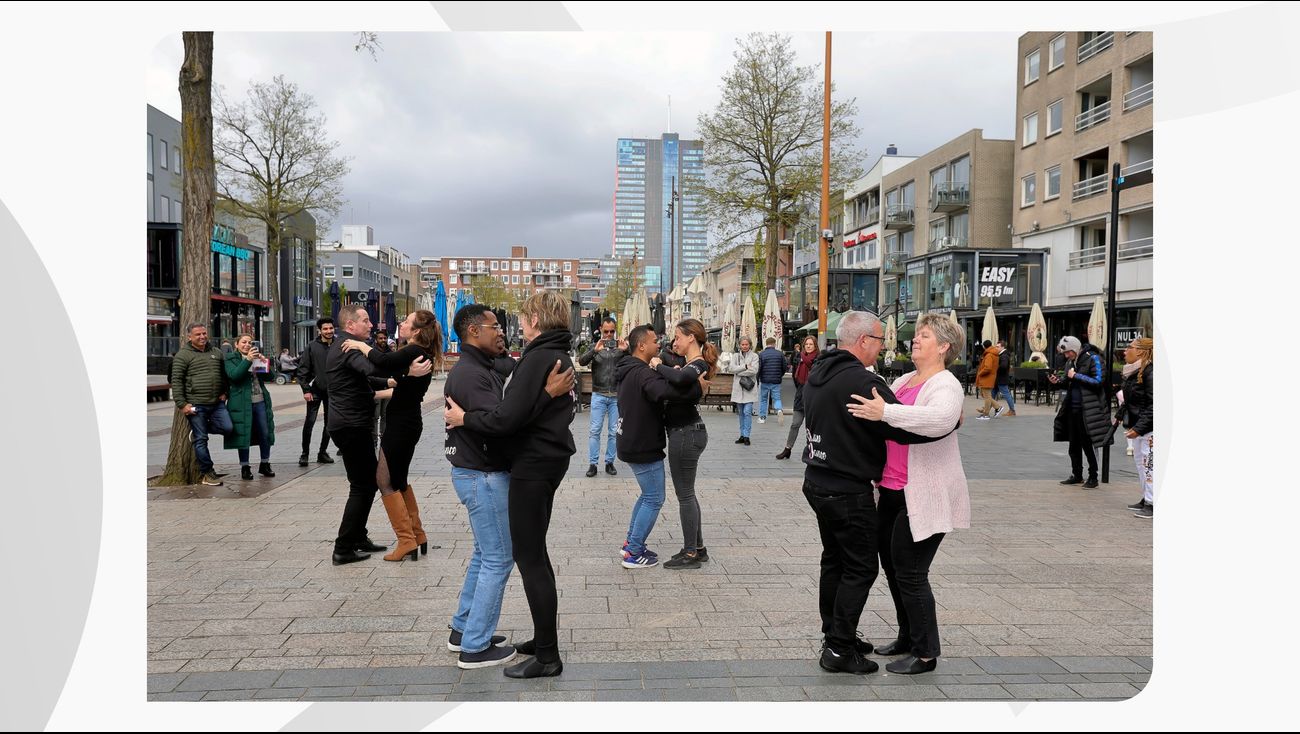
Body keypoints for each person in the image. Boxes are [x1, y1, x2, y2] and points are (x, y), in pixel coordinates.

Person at [800, 311, 945, 675]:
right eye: (880, 341)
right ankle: (838, 649)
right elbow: (901, 428)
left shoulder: (820, 371)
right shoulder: (863, 381)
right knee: (861, 568)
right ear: (863, 341)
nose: (882, 348)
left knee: (834, 560)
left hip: (817, 479)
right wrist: (946, 424)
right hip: (847, 488)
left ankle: (834, 633)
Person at [444, 292, 577, 679]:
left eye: (521, 318)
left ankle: (548, 657)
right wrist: (544, 396)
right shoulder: (555, 353)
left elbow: (504, 420)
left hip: (534, 465)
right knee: (536, 556)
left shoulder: (538, 357)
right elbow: (524, 404)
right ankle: (543, 639)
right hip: (547, 460)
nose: (515, 325)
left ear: (536, 318)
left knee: (530, 559)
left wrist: (466, 420)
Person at [847, 313, 970, 675]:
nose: (916, 340)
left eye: (925, 336)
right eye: (917, 335)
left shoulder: (945, 384)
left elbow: (940, 419)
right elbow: (879, 404)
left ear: (944, 347)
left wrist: (886, 412)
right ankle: (908, 636)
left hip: (924, 493)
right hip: (890, 490)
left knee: (911, 571)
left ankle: (927, 651)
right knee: (895, 567)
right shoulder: (903, 380)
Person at [325, 305, 432, 566]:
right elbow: (375, 370)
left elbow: (373, 379)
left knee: (381, 480)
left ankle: (362, 538)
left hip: (356, 423)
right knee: (366, 484)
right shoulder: (347, 346)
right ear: (350, 325)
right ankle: (343, 548)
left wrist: (397, 380)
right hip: (351, 424)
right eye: (365, 320)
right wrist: (405, 374)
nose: (372, 325)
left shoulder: (346, 345)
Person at [614, 324, 703, 570]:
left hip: (630, 440)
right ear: (641, 345)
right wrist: (698, 388)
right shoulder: (642, 373)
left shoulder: (628, 368)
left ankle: (631, 543)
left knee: (646, 495)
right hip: (642, 444)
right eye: (654, 341)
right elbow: (667, 393)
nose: (659, 345)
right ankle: (633, 552)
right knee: (654, 497)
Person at [653, 318, 719, 569]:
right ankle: (698, 548)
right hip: (687, 432)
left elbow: (679, 381)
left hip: (687, 433)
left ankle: (690, 553)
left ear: (691, 337)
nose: (674, 342)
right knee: (688, 494)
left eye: (678, 337)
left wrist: (658, 366)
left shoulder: (698, 364)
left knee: (685, 495)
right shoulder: (688, 364)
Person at [170, 323, 234, 486]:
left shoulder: (216, 352)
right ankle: (207, 473)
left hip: (216, 403)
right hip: (196, 405)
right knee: (201, 439)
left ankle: (202, 428)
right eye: (198, 334)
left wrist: (225, 392)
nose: (202, 337)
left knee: (228, 428)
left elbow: (224, 375)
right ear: (189, 337)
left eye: (204, 333)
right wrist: (182, 404)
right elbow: (176, 381)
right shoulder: (183, 355)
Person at [1049, 336, 1110, 489]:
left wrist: (1076, 375)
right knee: (1073, 444)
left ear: (1075, 349)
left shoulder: (1093, 358)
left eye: (1068, 352)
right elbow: (1068, 381)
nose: (1066, 356)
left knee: (1087, 444)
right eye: (1065, 353)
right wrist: (1058, 381)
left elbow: (1099, 380)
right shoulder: (1071, 361)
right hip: (1072, 409)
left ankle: (1093, 476)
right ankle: (1077, 475)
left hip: (1088, 409)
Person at [577, 317, 626, 478]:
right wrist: (594, 351)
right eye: (606, 331)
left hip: (615, 396)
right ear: (601, 329)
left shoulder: (621, 347)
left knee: (613, 432)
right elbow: (582, 361)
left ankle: (609, 462)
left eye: (612, 331)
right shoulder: (595, 346)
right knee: (594, 431)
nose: (609, 335)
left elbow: (636, 361)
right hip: (598, 394)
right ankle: (593, 464)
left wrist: (627, 350)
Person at [224, 334, 276, 482]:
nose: (247, 345)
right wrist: (247, 360)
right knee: (243, 433)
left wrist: (263, 362)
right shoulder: (230, 359)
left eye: (249, 342)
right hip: (241, 402)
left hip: (260, 400)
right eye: (244, 342)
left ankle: (265, 463)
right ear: (236, 345)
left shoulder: (255, 357)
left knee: (265, 433)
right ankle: (245, 467)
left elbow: (269, 377)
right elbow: (235, 376)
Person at [1117, 337, 1154, 519]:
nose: (1125, 351)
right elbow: (1131, 399)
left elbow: (1154, 405)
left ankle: (1153, 502)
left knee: (1150, 465)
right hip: (1139, 425)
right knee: (1141, 464)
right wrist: (1119, 416)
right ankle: (1146, 498)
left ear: (1140, 351)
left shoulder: (1150, 372)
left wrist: (1139, 427)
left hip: (1149, 428)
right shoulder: (1135, 371)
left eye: (1129, 348)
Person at [295, 318, 336, 467]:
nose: (329, 331)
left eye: (331, 328)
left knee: (330, 423)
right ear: (319, 330)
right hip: (315, 390)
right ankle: (304, 454)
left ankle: (322, 452)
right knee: (310, 422)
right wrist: (306, 389)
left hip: (333, 392)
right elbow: (302, 370)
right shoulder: (312, 346)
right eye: (325, 329)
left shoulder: (338, 345)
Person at [777, 335, 818, 460]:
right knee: (795, 424)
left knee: (811, 428)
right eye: (806, 344)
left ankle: (812, 451)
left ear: (815, 346)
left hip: (813, 398)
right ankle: (787, 449)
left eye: (811, 344)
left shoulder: (818, 359)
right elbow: (796, 377)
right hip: (800, 395)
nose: (808, 346)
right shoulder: (799, 358)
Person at [730, 337, 759, 445]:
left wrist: (739, 371)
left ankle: (747, 436)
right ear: (739, 345)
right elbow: (731, 368)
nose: (745, 346)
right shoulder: (735, 356)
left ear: (750, 345)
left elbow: (754, 370)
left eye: (746, 344)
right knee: (741, 413)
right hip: (738, 389)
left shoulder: (755, 356)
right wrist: (745, 366)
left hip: (749, 389)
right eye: (743, 344)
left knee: (747, 412)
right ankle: (742, 435)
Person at [756, 337, 786, 425]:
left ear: (766, 343)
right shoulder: (780, 354)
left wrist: (758, 379)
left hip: (765, 380)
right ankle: (779, 410)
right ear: (774, 344)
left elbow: (759, 368)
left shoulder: (762, 354)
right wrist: (780, 375)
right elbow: (784, 367)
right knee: (776, 398)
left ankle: (762, 417)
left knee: (764, 399)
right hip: (776, 380)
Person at [975, 340, 1002, 419]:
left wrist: (980, 373)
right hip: (990, 377)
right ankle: (997, 407)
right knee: (987, 395)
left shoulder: (989, 355)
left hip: (986, 378)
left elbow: (988, 368)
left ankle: (986, 414)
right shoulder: (994, 354)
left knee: (987, 396)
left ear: (984, 346)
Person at [990, 339, 1017, 416]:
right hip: (998, 379)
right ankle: (986, 409)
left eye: (997, 347)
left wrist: (995, 368)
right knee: (991, 395)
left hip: (1001, 379)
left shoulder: (1004, 355)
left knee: (1006, 394)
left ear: (1003, 347)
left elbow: (1004, 366)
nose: (996, 348)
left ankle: (1012, 410)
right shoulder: (1002, 355)